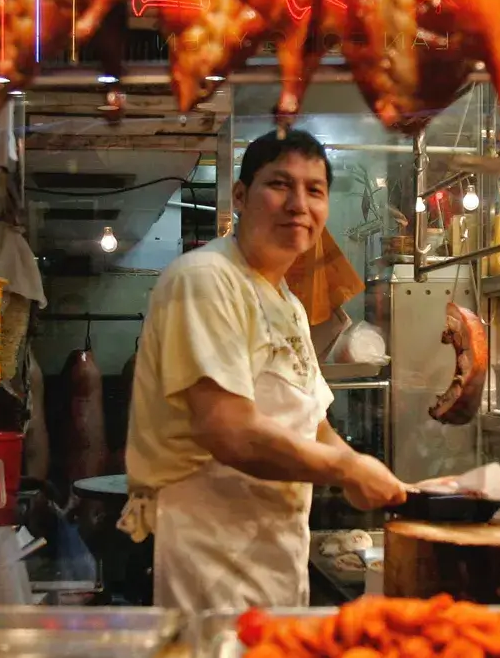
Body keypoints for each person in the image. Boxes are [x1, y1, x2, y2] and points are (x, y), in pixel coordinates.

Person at [119, 128, 407, 610]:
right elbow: (228, 430)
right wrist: (347, 468)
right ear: (240, 196)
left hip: (277, 553)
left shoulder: (288, 302)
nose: (299, 204)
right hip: (211, 558)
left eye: (314, 190)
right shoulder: (206, 280)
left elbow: (315, 426)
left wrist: (371, 478)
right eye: (280, 184)